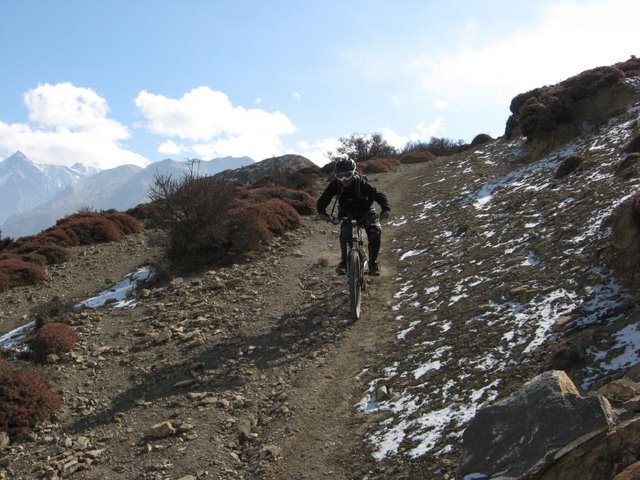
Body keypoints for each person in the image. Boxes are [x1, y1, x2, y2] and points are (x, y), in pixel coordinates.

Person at [317, 158, 391, 276]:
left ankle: (373, 263)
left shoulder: (361, 183)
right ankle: (345, 263)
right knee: (345, 232)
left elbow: (379, 195)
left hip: (366, 211)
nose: (344, 180)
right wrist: (321, 212)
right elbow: (324, 199)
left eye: (348, 175)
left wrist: (385, 209)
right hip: (346, 213)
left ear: (354, 173)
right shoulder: (335, 185)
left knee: (374, 232)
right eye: (340, 176)